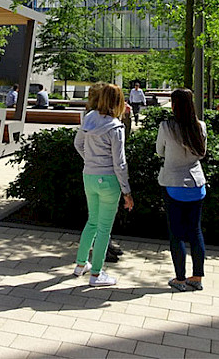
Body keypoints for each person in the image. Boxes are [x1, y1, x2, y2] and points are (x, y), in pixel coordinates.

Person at [73, 83, 133, 286]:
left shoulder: (89, 118)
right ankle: (96, 274)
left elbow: (78, 144)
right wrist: (127, 191)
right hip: (108, 180)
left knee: (92, 222)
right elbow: (120, 163)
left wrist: (89, 160)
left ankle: (81, 264)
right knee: (104, 229)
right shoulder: (116, 127)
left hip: (89, 175)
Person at [156, 88, 207, 292]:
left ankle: (179, 278)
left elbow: (159, 151)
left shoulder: (166, 126)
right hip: (196, 184)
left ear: (174, 104)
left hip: (173, 184)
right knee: (195, 231)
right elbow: (202, 154)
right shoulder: (200, 126)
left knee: (176, 233)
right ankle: (197, 277)